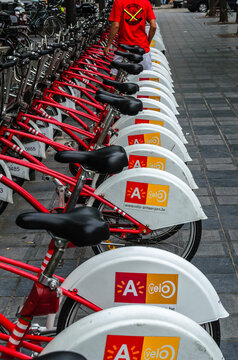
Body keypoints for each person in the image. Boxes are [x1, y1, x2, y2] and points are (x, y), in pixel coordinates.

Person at [103, 0, 157, 71]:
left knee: (116, 78)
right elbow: (153, 26)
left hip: (124, 49)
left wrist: (108, 45)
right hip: (142, 48)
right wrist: (148, 41)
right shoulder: (145, 2)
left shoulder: (119, 2)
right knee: (145, 78)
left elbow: (116, 25)